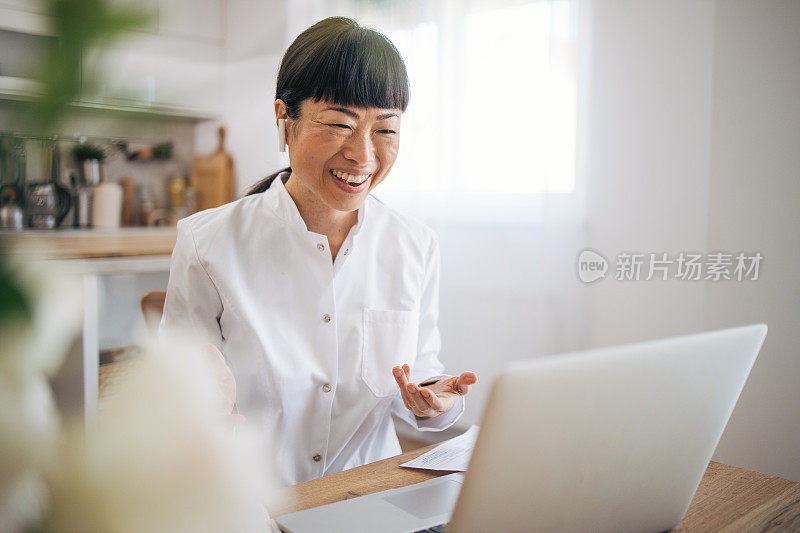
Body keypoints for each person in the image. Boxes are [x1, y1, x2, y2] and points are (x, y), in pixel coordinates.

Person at [160, 16, 477, 487]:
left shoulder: (414, 245)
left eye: (385, 131)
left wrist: (433, 399)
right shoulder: (207, 244)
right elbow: (175, 405)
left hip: (367, 500)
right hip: (253, 504)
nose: (363, 155)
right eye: (339, 125)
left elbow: (421, 381)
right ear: (284, 119)